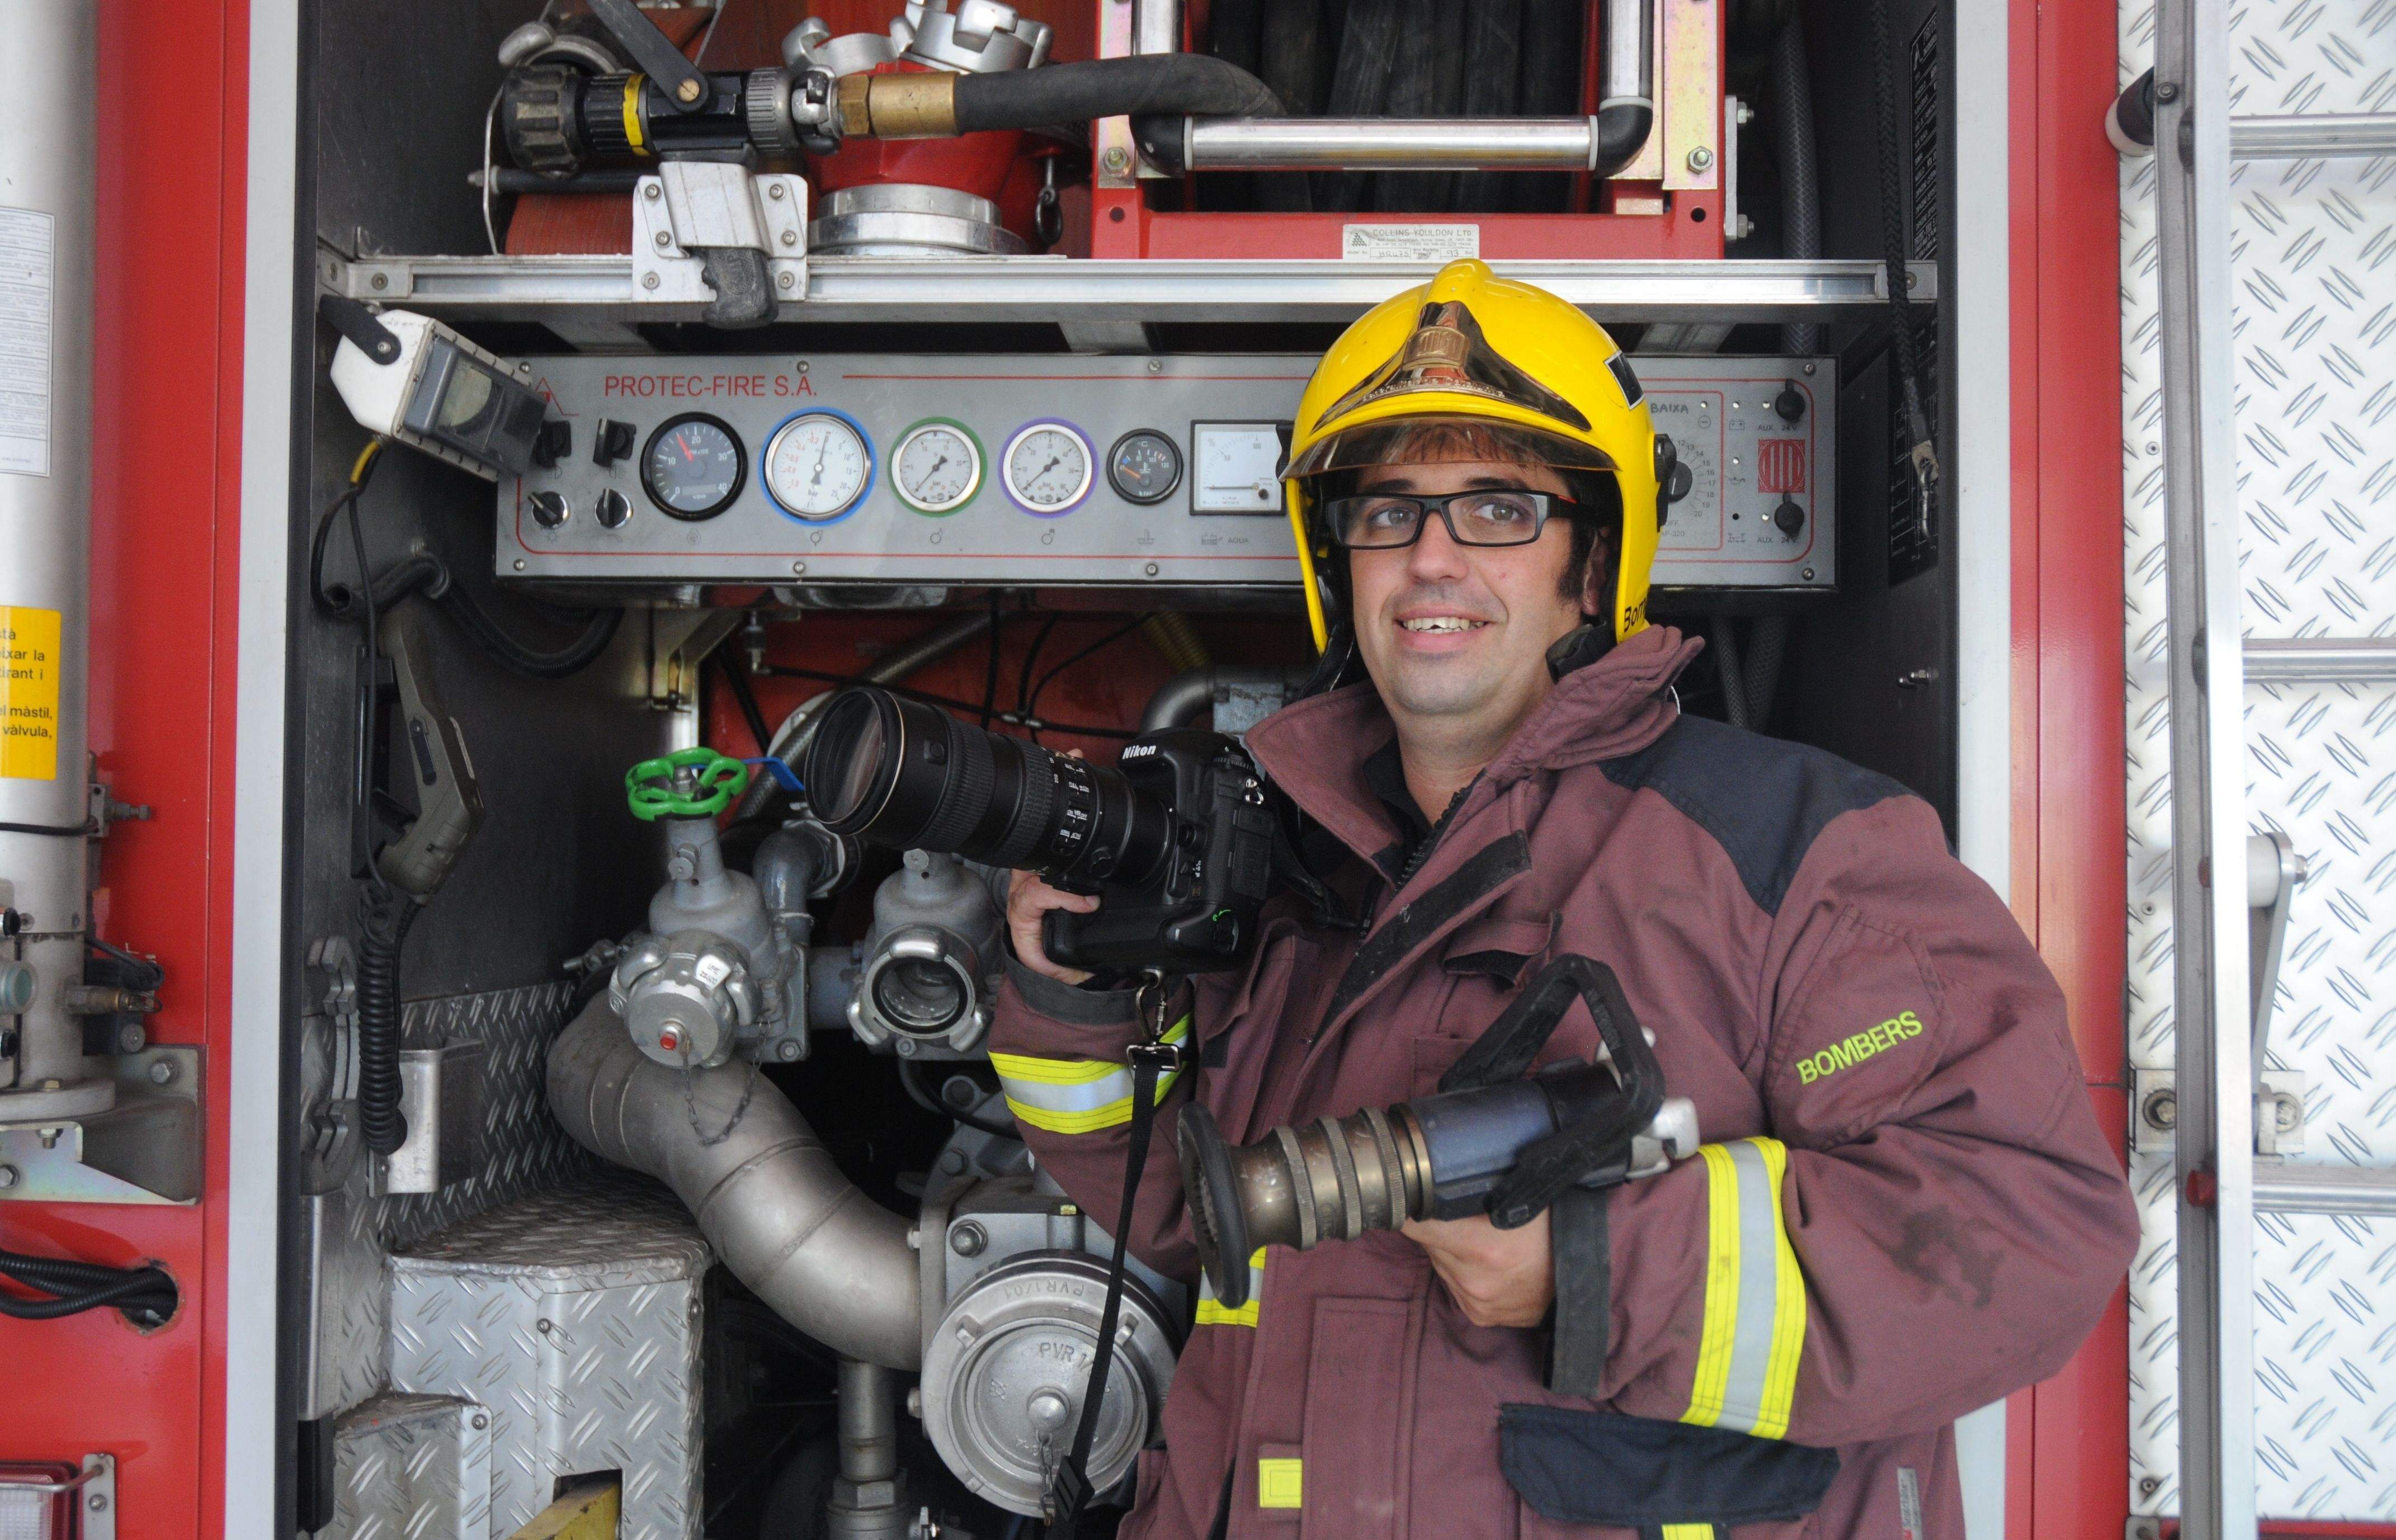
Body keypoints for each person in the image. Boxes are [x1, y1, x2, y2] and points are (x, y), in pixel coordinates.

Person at [988, 259, 2137, 1540]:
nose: (1430, 559)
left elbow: (2027, 1239)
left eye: (1496, 509)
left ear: (1594, 564)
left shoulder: (1799, 855)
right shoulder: (1297, 866)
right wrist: (1072, 1003)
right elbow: (1190, 1211)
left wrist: (1597, 1269)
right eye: (1388, 512)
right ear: (1339, 560)